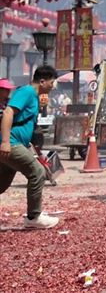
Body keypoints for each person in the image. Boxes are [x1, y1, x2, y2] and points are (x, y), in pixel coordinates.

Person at [0, 66, 59, 229]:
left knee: (2, 183)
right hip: (10, 142)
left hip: (17, 143)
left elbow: (24, 120)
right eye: (52, 82)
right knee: (37, 172)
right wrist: (5, 141)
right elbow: (8, 113)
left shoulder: (34, 96)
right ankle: (34, 217)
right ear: (42, 81)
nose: (53, 86)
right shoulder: (26, 92)